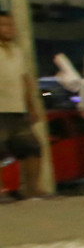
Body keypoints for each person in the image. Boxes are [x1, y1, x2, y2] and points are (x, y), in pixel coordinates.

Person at [0, 12, 47, 200]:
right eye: (4, 25)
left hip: (18, 110)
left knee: (32, 148)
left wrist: (31, 106)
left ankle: (31, 189)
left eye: (11, 25)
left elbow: (25, 80)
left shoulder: (18, 51)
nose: (9, 29)